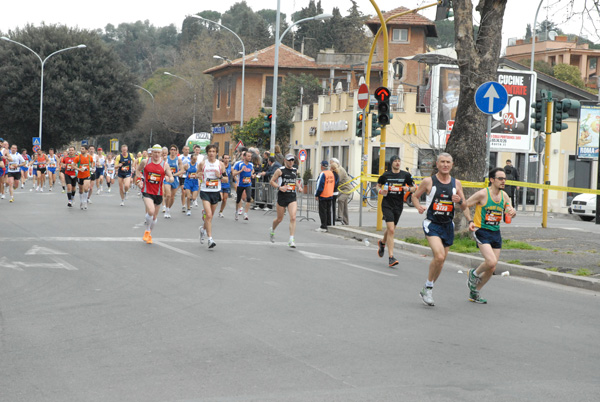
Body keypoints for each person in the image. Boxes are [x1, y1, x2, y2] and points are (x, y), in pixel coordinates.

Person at [411, 152, 472, 307]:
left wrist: (466, 213)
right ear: (437, 164)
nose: (445, 165)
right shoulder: (428, 181)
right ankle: (429, 288)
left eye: (448, 162)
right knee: (438, 256)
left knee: (441, 260)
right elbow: (414, 196)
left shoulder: (456, 184)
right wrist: (419, 207)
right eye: (442, 162)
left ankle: (427, 287)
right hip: (432, 224)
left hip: (447, 225)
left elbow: (464, 205)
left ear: (452, 165)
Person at [464, 167, 516, 304]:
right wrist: (470, 221)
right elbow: (465, 205)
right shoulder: (482, 194)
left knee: (492, 267)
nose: (503, 181)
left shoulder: (504, 195)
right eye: (500, 178)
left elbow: (509, 208)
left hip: (495, 232)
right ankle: (473, 273)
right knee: (491, 261)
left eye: (505, 178)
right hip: (481, 230)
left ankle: (475, 292)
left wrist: (512, 212)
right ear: (492, 180)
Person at [375, 155, 415, 267]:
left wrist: (409, 189)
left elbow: (414, 187)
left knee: (391, 229)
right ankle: (391, 257)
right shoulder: (386, 175)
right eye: (395, 161)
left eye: (399, 161)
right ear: (391, 163)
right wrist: (380, 191)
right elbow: (377, 186)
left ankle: (382, 243)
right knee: (391, 230)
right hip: (387, 204)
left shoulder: (405, 175)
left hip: (398, 205)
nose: (397, 163)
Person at [136, 144, 174, 244]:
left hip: (158, 193)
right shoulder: (145, 162)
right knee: (151, 211)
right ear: (151, 153)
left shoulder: (165, 165)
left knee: (154, 217)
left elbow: (171, 177)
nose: (156, 154)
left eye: (158, 153)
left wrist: (168, 179)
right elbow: (137, 170)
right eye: (155, 152)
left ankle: (149, 234)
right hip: (147, 191)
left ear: (161, 153)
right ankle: (147, 230)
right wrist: (139, 180)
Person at [269, 153, 302, 247]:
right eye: (289, 160)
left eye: (292, 160)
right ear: (285, 161)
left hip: (292, 196)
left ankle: (291, 239)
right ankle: (272, 229)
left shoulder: (295, 170)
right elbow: (271, 181)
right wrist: (279, 187)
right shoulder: (280, 171)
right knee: (279, 219)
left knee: (293, 217)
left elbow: (294, 180)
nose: (291, 162)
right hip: (282, 196)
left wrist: (299, 186)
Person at [198, 144, 227, 248]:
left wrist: (219, 176)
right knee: (209, 215)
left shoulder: (220, 164)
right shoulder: (202, 164)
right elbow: (197, 174)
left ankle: (203, 229)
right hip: (205, 191)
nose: (211, 153)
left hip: (215, 191)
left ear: (216, 153)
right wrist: (199, 175)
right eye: (210, 151)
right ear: (207, 152)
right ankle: (210, 239)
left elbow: (226, 179)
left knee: (210, 216)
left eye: (213, 151)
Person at [314, 160, 337, 232]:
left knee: (322, 211)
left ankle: (323, 226)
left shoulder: (322, 174)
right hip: (330, 194)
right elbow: (334, 184)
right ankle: (328, 224)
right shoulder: (331, 173)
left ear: (322, 166)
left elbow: (320, 185)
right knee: (328, 211)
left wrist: (317, 194)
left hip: (323, 195)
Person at [232, 150, 254, 221]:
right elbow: (234, 174)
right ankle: (236, 211)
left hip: (248, 184)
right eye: (248, 156)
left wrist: (253, 175)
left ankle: (245, 213)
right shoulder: (239, 164)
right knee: (238, 199)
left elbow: (251, 172)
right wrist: (241, 171)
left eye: (250, 156)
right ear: (244, 157)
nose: (250, 157)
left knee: (248, 198)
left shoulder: (251, 165)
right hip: (240, 184)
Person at [163, 145, 183, 218]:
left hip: (175, 179)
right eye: (171, 149)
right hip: (167, 178)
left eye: (174, 150)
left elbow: (182, 170)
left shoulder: (178, 160)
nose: (173, 151)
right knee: (168, 194)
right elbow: (162, 168)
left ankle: (168, 209)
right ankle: (166, 208)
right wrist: (166, 175)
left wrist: (175, 174)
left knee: (172, 197)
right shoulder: (166, 158)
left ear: (176, 151)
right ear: (169, 151)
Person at [331, 158, 352, 225]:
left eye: (331, 163)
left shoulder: (340, 170)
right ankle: (346, 222)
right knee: (344, 206)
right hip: (341, 189)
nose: (330, 165)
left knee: (340, 200)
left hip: (346, 189)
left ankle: (340, 216)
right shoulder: (336, 169)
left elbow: (337, 180)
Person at [73, 145, 94, 210]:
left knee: (86, 188)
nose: (81, 150)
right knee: (81, 190)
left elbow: (92, 163)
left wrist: (92, 168)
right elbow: (73, 165)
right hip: (80, 175)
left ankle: (85, 201)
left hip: (87, 175)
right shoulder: (78, 157)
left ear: (86, 150)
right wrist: (79, 169)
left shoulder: (89, 157)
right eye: (81, 149)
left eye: (83, 149)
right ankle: (81, 201)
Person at [218, 153, 232, 218]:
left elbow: (233, 174)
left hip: (227, 185)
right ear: (223, 159)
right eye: (225, 158)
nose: (226, 160)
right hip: (220, 184)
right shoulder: (220, 166)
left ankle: (221, 211)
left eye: (228, 158)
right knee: (221, 198)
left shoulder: (230, 167)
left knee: (225, 200)